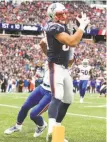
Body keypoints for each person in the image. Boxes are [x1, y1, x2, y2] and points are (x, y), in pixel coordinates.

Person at [43, 2, 90, 142]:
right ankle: (51, 131)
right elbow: (72, 42)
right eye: (59, 14)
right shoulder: (53, 26)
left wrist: (70, 59)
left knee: (68, 99)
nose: (63, 15)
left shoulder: (63, 26)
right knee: (57, 96)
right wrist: (81, 27)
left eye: (64, 12)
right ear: (52, 16)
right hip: (55, 66)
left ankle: (57, 131)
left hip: (64, 67)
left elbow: (69, 46)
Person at [4, 67, 51, 137]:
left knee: (34, 114)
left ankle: (42, 126)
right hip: (41, 87)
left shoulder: (63, 61)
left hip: (51, 92)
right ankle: (17, 126)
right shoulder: (52, 58)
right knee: (25, 107)